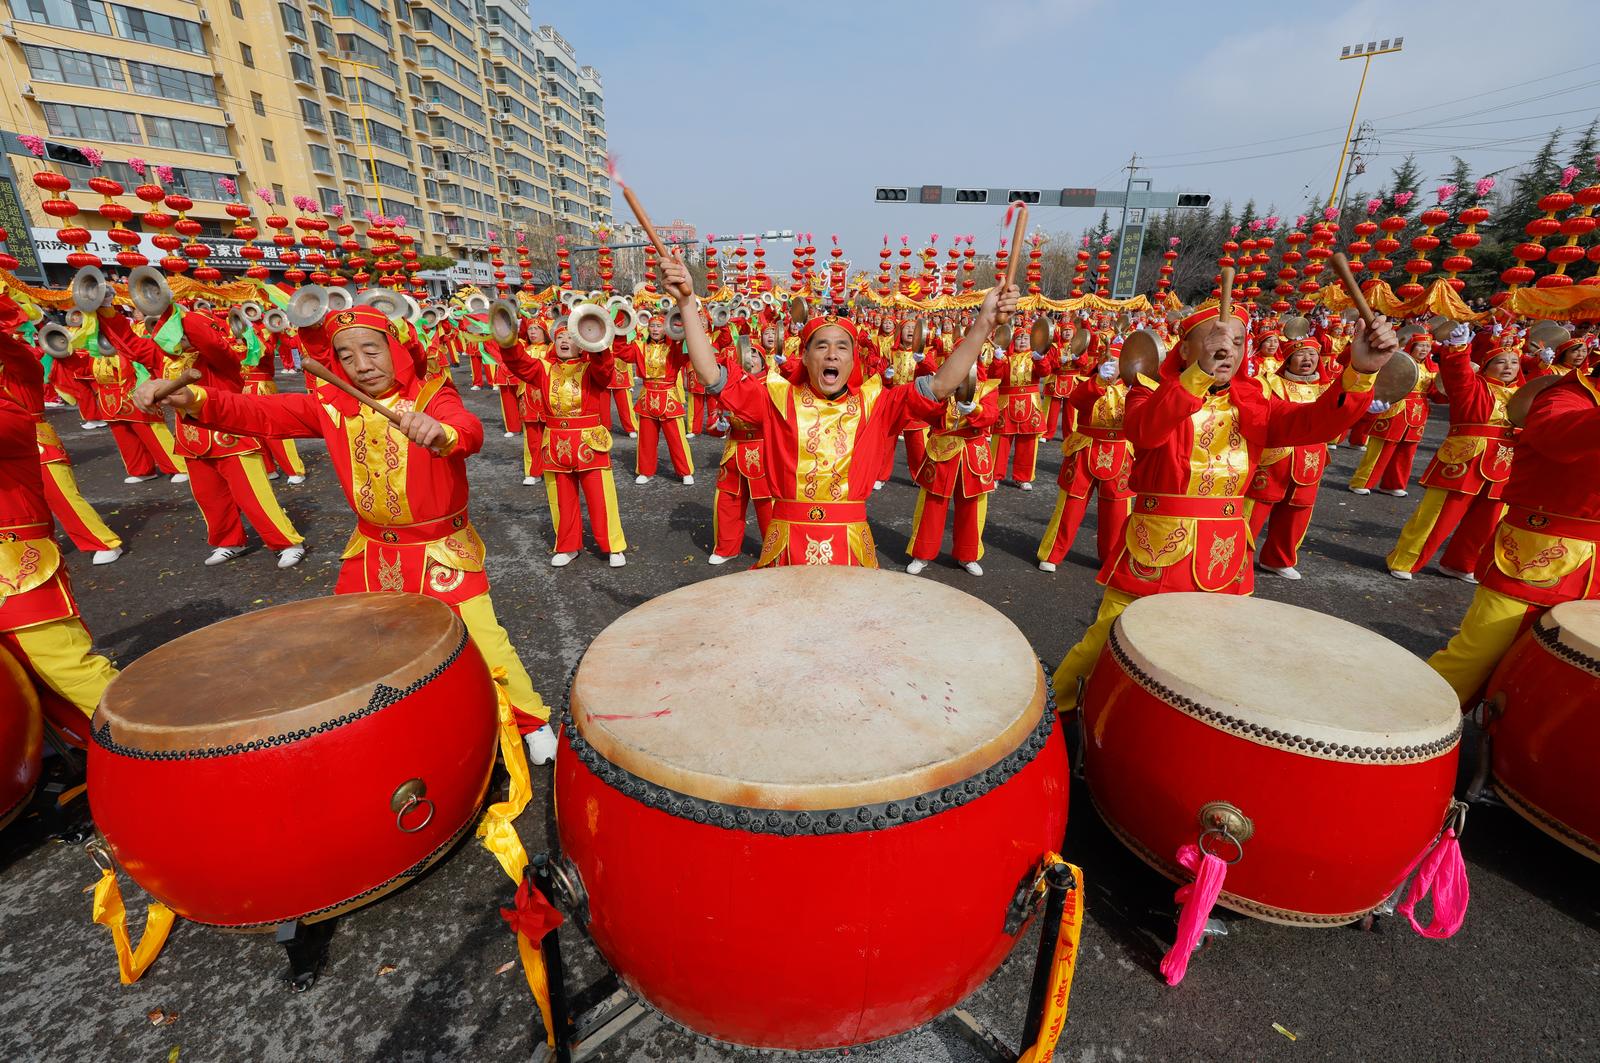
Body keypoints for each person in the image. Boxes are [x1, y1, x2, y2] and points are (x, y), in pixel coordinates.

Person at [134, 304, 557, 760]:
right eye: (347, 355)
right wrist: (192, 400)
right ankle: (372, 729)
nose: (361, 364)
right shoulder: (337, 407)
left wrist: (441, 433)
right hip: (371, 553)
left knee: (483, 637)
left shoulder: (433, 396)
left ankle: (532, 722)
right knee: (349, 643)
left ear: (396, 349)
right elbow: (260, 412)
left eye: (372, 351)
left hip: (441, 551)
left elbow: (467, 430)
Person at [1050, 302, 1398, 710]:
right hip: (1158, 549)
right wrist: (1197, 378)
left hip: (1225, 554)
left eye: (1236, 341)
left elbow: (1317, 422)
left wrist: (1361, 373)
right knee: (1107, 642)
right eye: (1214, 340)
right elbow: (1147, 431)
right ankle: (1056, 714)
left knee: (1212, 660)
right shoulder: (1148, 391)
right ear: (1183, 351)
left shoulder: (1254, 403)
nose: (1226, 350)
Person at [662, 251, 1016, 567]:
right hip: (786, 544)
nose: (832, 354)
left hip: (850, 545)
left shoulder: (876, 403)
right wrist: (688, 304)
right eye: (822, 347)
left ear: (853, 361)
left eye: (842, 348)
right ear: (804, 356)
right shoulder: (775, 398)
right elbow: (711, 374)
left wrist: (984, 322)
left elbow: (940, 386)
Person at [1427, 366, 1600, 707]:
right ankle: (1403, 732)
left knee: (1560, 670)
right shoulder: (1565, 396)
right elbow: (1556, 437)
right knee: (1476, 656)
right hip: (1542, 553)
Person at [99, 302, 306, 569]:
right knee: (210, 497)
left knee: (253, 495)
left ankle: (287, 543)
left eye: (182, 332)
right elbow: (129, 343)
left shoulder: (221, 360)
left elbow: (211, 343)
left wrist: (174, 311)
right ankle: (230, 541)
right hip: (191, 439)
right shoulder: (163, 359)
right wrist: (105, 311)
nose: (178, 337)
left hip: (230, 437)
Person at [0, 297, 120, 720]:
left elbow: (26, 365)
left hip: (14, 562)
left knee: (65, 668)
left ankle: (155, 749)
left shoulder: (9, 410)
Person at [1385, 327, 1518, 582]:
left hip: (1504, 463)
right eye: (1501, 362)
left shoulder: (1521, 395)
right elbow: (1458, 374)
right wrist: (1458, 349)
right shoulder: (1473, 387)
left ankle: (1460, 564)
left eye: (1514, 362)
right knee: (1437, 517)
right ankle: (1405, 559)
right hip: (1464, 459)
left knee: (1487, 522)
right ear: (1486, 366)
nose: (1508, 367)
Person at [495, 321, 629, 568]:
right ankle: (568, 546)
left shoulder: (592, 367)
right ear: (553, 343)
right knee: (561, 499)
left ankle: (613, 545)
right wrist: (508, 339)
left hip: (589, 442)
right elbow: (518, 363)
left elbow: (606, 368)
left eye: (571, 337)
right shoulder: (543, 368)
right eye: (560, 337)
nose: (565, 341)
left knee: (601, 498)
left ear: (582, 345)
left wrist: (597, 342)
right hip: (556, 443)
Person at [1244, 339, 1334, 581]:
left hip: (1311, 460)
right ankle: (1236, 559)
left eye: (1312, 354)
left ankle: (1279, 558)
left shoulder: (1326, 389)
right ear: (1287, 360)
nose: (1307, 359)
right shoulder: (1271, 383)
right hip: (1275, 459)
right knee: (1253, 511)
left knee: (1298, 511)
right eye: (1301, 354)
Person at [1037, 347, 1132, 572]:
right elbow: (1078, 401)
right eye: (1107, 360)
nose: (1111, 365)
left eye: (1116, 361)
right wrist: (1099, 381)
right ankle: (1052, 553)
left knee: (1117, 511)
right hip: (1086, 448)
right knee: (1070, 505)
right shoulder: (1088, 383)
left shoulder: (1133, 389)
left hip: (1120, 451)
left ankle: (1113, 558)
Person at [905, 367, 999, 576]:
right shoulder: (940, 384)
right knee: (931, 505)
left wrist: (975, 410)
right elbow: (926, 413)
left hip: (973, 452)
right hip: (942, 449)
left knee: (972, 508)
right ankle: (922, 553)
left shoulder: (987, 387)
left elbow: (992, 415)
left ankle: (968, 555)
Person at [709, 340, 774, 565]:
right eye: (747, 355)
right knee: (727, 501)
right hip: (734, 451)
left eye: (755, 355)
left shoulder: (775, 384)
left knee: (768, 505)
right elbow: (714, 416)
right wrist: (718, 425)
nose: (751, 359)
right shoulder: (733, 386)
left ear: (764, 361)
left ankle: (774, 550)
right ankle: (727, 548)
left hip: (764, 451)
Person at [1348, 333, 1436, 497]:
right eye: (1421, 345)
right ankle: (1361, 481)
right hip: (1395, 408)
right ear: (1412, 347)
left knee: (1406, 452)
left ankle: (1393, 484)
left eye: (1427, 346)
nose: (1424, 349)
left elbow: (1436, 393)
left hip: (1418, 413)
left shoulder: (1432, 368)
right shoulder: (1398, 362)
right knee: (1381, 449)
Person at [626, 314, 695, 485]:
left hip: (668, 396)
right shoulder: (641, 347)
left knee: (676, 438)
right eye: (653, 326)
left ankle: (685, 471)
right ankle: (645, 471)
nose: (656, 329)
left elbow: (686, 354)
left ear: (666, 329)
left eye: (659, 326)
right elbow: (623, 353)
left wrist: (680, 335)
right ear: (648, 328)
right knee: (646, 439)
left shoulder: (674, 349)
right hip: (647, 396)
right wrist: (621, 332)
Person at [989, 326, 1054, 490]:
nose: (1022, 341)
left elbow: (1045, 372)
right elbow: (994, 377)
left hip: (1030, 403)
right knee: (1001, 442)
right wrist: (997, 360)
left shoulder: (1035, 356)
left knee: (1028, 443)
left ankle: (1023, 477)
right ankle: (995, 475)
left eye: (1026, 338)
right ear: (1012, 341)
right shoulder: (1006, 358)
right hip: (1006, 403)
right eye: (1019, 338)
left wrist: (1040, 359)